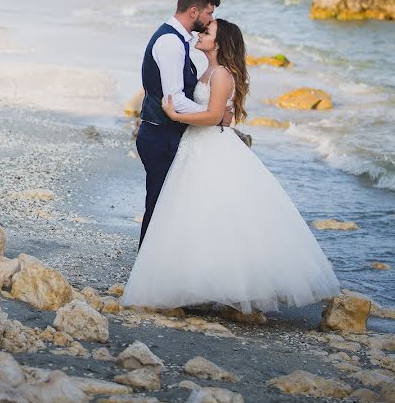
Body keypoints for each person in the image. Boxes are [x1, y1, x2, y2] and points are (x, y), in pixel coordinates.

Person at [121, 18, 341, 313]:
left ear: (220, 42)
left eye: (207, 32)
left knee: (221, 215)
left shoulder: (222, 74)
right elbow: (216, 113)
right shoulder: (209, 71)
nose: (201, 33)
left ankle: (229, 286)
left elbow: (213, 117)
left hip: (211, 146)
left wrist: (175, 115)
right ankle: (198, 282)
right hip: (198, 145)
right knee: (195, 215)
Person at [135, 0, 220, 248]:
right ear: (193, 12)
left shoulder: (178, 39)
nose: (210, 20)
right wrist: (212, 115)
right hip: (160, 136)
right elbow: (175, 101)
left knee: (167, 205)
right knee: (159, 206)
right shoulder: (171, 42)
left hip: (163, 134)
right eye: (208, 13)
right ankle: (146, 271)